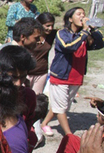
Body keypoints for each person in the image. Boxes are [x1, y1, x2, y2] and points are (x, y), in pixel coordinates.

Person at [41, 7, 104, 137]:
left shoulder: (84, 35)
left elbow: (100, 42)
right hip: (61, 76)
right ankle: (69, 135)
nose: (82, 16)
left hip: (76, 77)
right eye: (79, 14)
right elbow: (69, 46)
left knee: (62, 105)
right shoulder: (62, 34)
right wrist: (84, 32)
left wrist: (92, 28)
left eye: (84, 14)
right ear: (70, 19)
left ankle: (44, 123)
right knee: (61, 107)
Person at [0, 17, 43, 83]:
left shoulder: (15, 50)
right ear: (23, 37)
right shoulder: (10, 53)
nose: (39, 41)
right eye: (36, 38)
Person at [27, 12, 57, 94]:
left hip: (41, 73)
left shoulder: (52, 35)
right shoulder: (30, 35)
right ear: (39, 24)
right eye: (47, 26)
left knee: (36, 99)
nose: (50, 28)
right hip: (27, 73)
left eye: (52, 25)